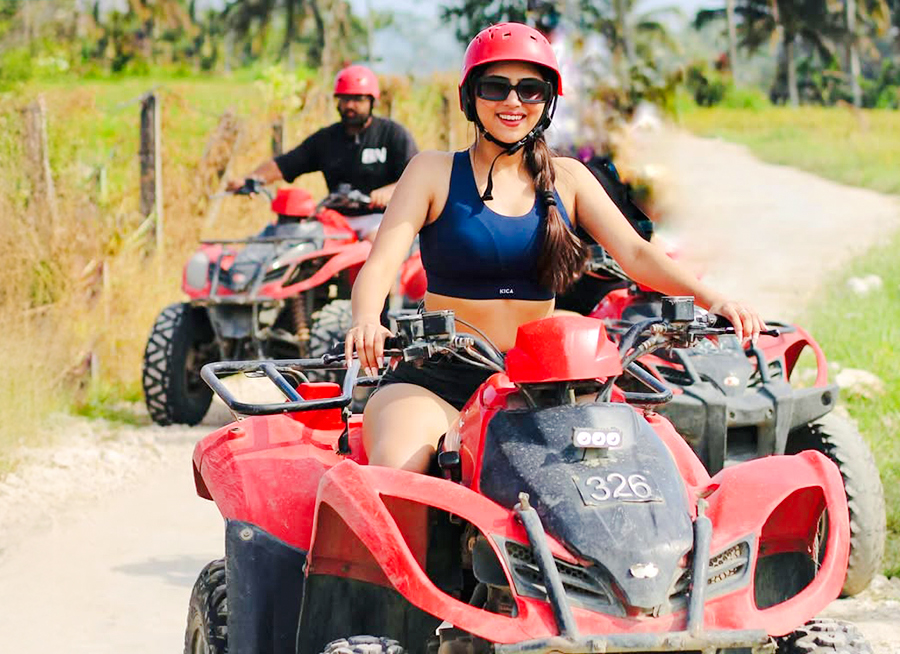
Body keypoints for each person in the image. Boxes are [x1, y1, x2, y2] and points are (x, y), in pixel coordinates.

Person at [344, 22, 764, 473]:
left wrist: (715, 299)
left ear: (547, 101)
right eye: (495, 87)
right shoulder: (432, 171)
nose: (512, 102)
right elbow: (381, 262)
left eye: (530, 89)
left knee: (646, 465)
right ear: (470, 96)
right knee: (398, 467)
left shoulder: (569, 179)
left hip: (545, 378)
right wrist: (367, 321)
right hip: (439, 378)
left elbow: (637, 255)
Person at [237, 65, 419, 239]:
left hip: (380, 218)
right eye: (345, 99)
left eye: (358, 99)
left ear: (372, 101)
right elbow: (285, 165)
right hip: (336, 220)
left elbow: (417, 178)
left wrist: (389, 192)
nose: (350, 105)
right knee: (305, 248)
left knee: (378, 252)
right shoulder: (326, 139)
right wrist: (250, 179)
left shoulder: (393, 134)